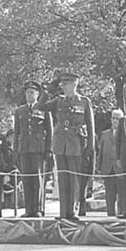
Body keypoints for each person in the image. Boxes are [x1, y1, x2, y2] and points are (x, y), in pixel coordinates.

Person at [38, 72, 95, 220]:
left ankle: (73, 211)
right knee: (63, 178)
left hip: (75, 142)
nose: (63, 87)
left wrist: (90, 146)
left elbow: (90, 126)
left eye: (66, 84)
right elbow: (40, 106)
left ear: (74, 84)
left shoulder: (83, 101)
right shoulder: (58, 101)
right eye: (62, 84)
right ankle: (63, 212)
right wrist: (46, 92)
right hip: (60, 143)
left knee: (74, 179)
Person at [14, 81, 53, 217]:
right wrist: (15, 151)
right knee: (26, 179)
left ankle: (38, 209)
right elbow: (17, 132)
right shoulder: (20, 110)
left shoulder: (44, 108)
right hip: (24, 148)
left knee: (38, 179)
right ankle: (28, 209)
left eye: (32, 92)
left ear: (37, 94)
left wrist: (49, 149)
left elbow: (50, 130)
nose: (29, 95)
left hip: (38, 148)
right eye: (27, 92)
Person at [97, 108, 124, 216]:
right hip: (108, 168)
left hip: (120, 169)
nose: (115, 121)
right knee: (109, 196)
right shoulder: (104, 134)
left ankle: (121, 216)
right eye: (113, 118)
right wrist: (99, 167)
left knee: (122, 196)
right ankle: (110, 216)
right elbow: (101, 152)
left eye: (118, 118)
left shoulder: (125, 134)